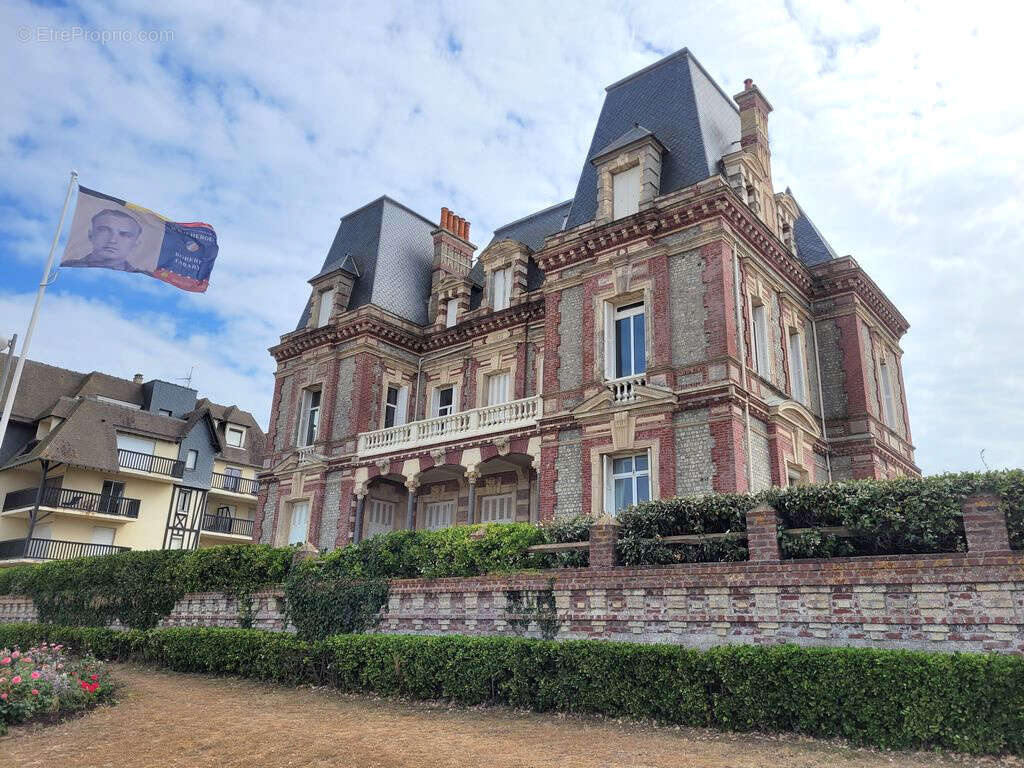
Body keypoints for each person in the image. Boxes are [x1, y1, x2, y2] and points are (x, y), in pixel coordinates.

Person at [63, 208, 145, 272]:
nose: (112, 240)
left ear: (135, 244)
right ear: (90, 235)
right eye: (104, 231)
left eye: (124, 235)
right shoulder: (65, 268)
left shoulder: (142, 278)